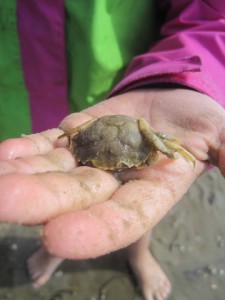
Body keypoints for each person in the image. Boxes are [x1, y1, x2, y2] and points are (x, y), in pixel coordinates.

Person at [0, 1, 225, 300]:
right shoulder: (73, 134)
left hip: (122, 83)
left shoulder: (147, 133)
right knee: (58, 193)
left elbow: (211, 16)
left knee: (134, 197)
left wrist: (179, 85)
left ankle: (138, 254)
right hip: (24, 100)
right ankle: (55, 248)